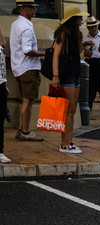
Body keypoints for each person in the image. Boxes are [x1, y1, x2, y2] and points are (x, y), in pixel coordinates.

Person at [51, 5, 89, 153]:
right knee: (68, 111)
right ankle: (64, 144)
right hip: (66, 74)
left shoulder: (75, 34)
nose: (82, 19)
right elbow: (56, 55)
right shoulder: (62, 33)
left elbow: (75, 53)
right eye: (80, 17)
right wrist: (55, 76)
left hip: (75, 72)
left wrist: (84, 47)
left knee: (72, 110)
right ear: (73, 19)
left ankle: (69, 142)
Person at [10, 0, 46, 142]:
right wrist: (41, 53)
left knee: (26, 100)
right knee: (28, 100)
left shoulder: (16, 24)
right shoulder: (25, 27)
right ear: (23, 9)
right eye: (32, 8)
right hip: (28, 67)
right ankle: (25, 131)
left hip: (19, 67)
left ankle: (21, 129)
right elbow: (27, 50)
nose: (35, 10)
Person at [83, 16, 100, 111]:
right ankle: (89, 106)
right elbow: (82, 52)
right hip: (91, 62)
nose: (94, 28)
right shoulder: (84, 38)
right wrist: (85, 53)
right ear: (88, 28)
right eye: (91, 27)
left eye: (95, 26)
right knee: (91, 86)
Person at [0, 25, 9, 163]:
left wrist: (5, 84)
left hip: (1, 83)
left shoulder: (0, 48)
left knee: (0, 118)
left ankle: (0, 151)